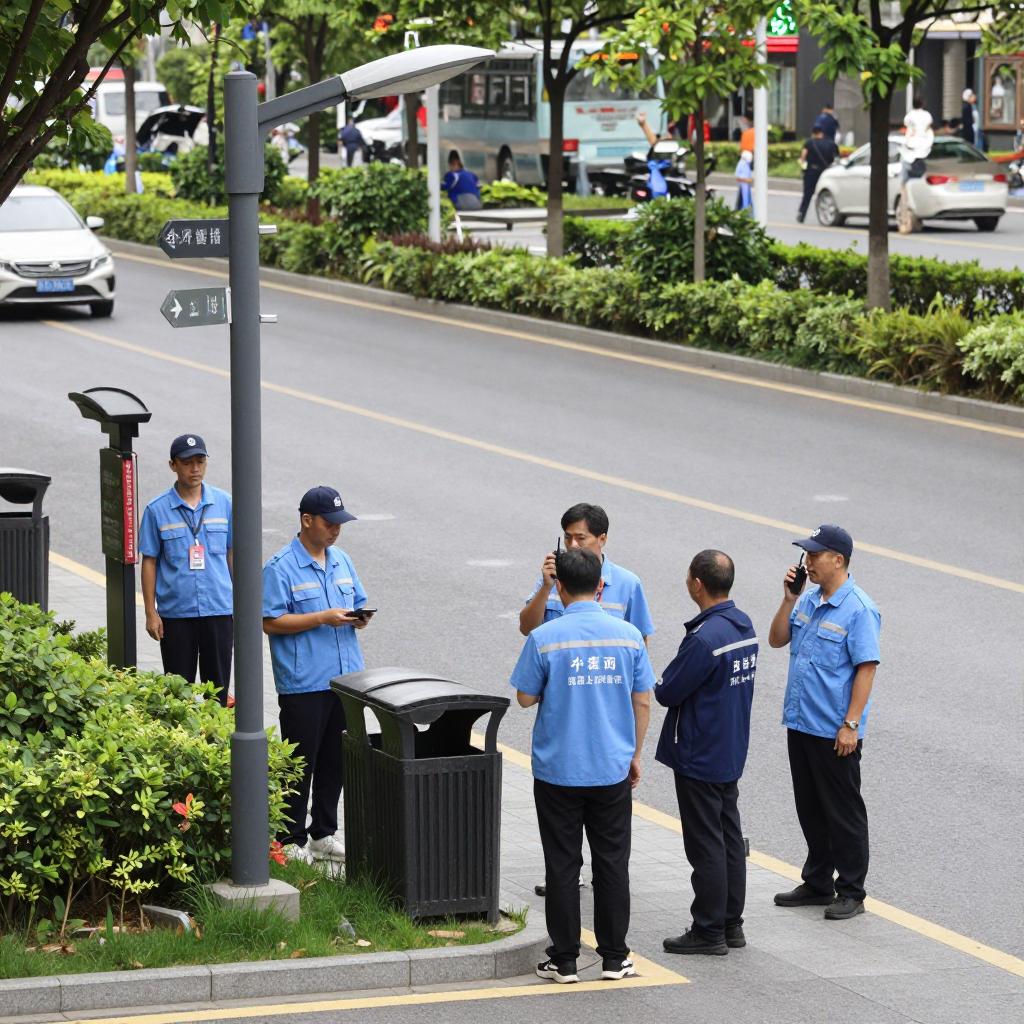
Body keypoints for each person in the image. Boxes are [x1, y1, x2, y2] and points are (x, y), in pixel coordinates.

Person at [511, 547, 654, 984]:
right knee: (611, 863)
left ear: (559, 586)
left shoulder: (546, 637)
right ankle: (615, 958)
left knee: (562, 865)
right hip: (611, 768)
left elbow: (524, 697)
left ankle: (566, 960)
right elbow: (643, 698)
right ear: (601, 586)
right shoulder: (628, 636)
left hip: (558, 770)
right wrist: (634, 755)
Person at [767, 524, 881, 921]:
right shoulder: (808, 600)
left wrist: (851, 724)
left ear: (839, 559)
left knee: (843, 811)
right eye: (807, 555)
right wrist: (788, 599)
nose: (808, 561)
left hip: (834, 729)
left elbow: (866, 669)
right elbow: (777, 639)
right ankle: (818, 882)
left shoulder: (859, 609)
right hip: (800, 721)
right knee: (810, 807)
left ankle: (852, 890)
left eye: (815, 555)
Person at [262, 485, 373, 864]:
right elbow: (271, 621)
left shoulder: (341, 560)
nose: (336, 530)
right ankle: (290, 837)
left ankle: (323, 833)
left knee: (335, 761)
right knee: (300, 764)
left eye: (340, 523)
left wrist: (359, 619)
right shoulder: (280, 567)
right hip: (304, 682)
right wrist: (321, 618)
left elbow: (357, 602)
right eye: (330, 523)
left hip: (344, 679)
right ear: (306, 520)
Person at [655, 550, 758, 956]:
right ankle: (732, 923)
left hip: (700, 752)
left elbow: (667, 691)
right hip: (730, 746)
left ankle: (709, 929)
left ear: (697, 583)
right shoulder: (742, 625)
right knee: (729, 836)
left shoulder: (705, 639)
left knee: (706, 844)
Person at [140, 434, 233, 704]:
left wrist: (240, 603)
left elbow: (232, 553)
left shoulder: (224, 503)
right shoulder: (157, 510)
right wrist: (150, 612)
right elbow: (150, 561)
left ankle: (215, 744)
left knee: (218, 690)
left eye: (200, 461)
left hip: (218, 608)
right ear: (173, 465)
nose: (195, 469)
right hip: (176, 613)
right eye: (187, 463)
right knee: (178, 693)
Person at [519, 503, 654, 645]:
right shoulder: (551, 578)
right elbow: (527, 629)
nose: (572, 544)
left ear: (602, 539)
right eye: (567, 537)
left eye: (580, 538)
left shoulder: (628, 584)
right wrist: (546, 587)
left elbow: (639, 640)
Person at [898, 97, 934, 233]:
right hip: (922, 153)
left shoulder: (910, 117)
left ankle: (906, 221)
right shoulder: (927, 117)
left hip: (910, 154)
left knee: (904, 190)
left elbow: (909, 127)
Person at [797, 127, 839, 223]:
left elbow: (803, 157)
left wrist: (802, 167)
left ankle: (802, 214)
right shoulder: (831, 144)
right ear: (822, 133)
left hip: (811, 171)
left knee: (807, 194)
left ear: (813, 133)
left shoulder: (809, 143)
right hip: (825, 172)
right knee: (827, 193)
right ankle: (827, 215)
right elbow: (836, 157)